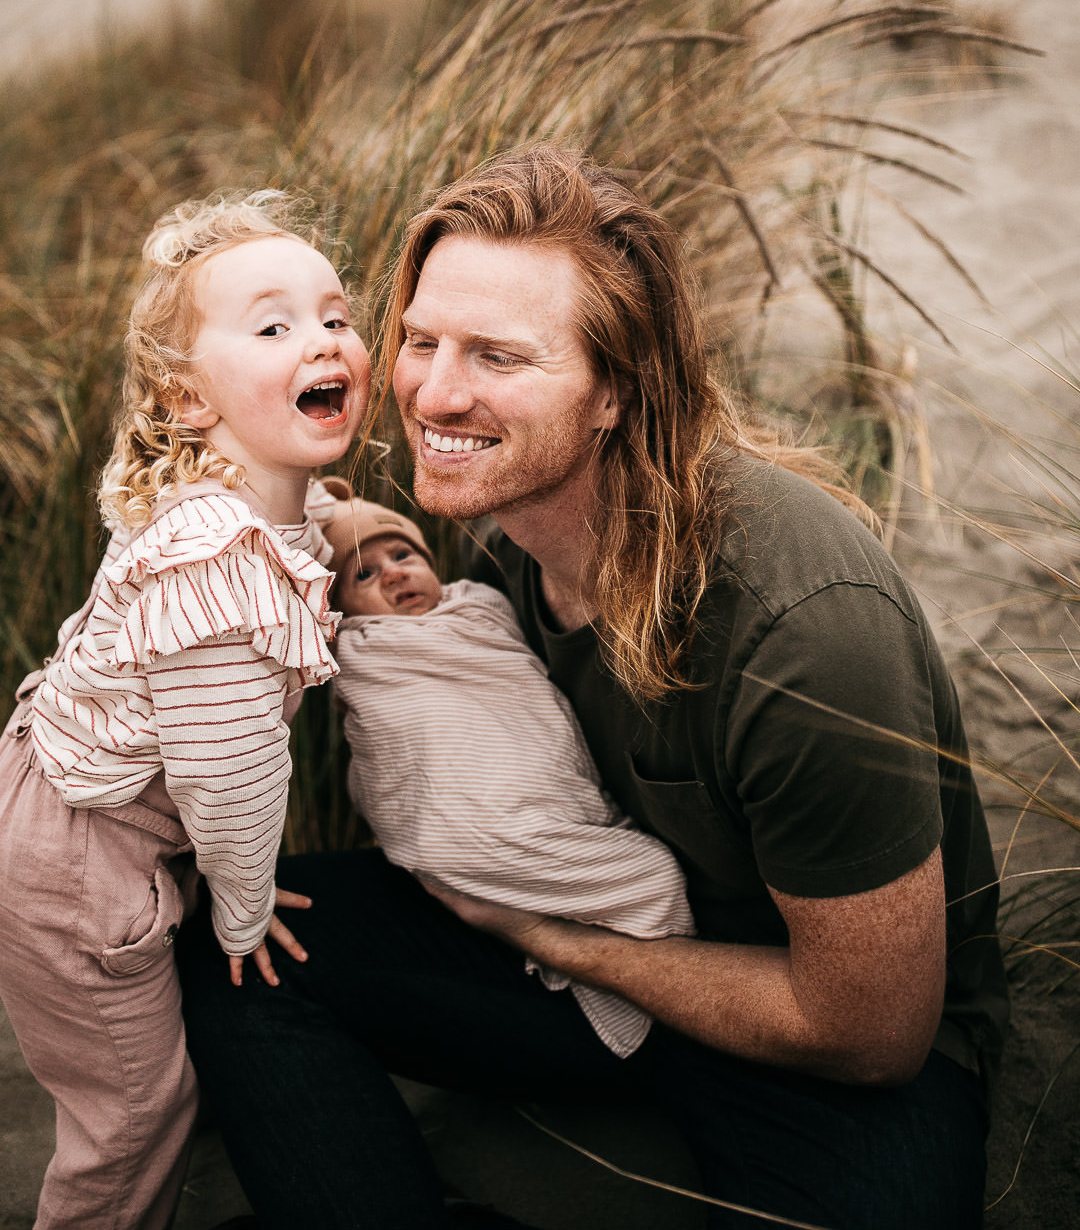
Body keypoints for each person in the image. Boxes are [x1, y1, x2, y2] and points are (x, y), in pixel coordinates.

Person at [178, 147, 1008, 1230]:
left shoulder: (804, 630)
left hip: (807, 1033)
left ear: (617, 389)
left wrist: (558, 941)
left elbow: (874, 1029)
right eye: (422, 340)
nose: (434, 389)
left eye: (500, 357)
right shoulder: (509, 544)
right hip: (601, 958)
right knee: (246, 951)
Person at [0, 190, 371, 1230]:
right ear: (190, 400)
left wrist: (350, 515)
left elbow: (306, 511)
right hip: (73, 863)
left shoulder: (236, 490)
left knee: (143, 1072)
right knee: (138, 1109)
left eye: (335, 316)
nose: (322, 339)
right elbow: (228, 783)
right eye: (273, 327)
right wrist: (244, 907)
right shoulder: (220, 585)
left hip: (68, 807)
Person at [323, 482, 693, 1058]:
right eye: (364, 576)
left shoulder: (479, 609)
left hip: (543, 798)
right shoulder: (359, 651)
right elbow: (394, 752)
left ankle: (623, 971)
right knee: (650, 877)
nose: (394, 574)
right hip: (464, 828)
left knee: (652, 873)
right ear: (339, 610)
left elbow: (522, 702)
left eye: (403, 555)